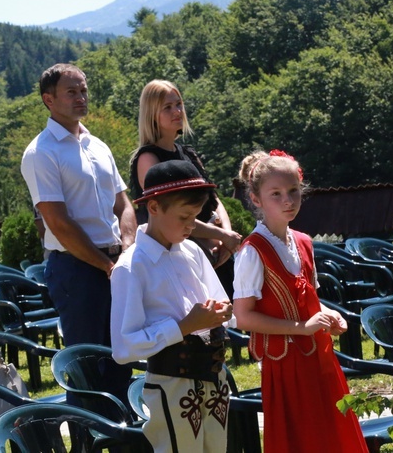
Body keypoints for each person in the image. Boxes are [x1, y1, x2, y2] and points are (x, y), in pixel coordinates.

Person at [232, 150, 367, 453]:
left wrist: (330, 314)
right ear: (256, 199)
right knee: (302, 440)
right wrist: (300, 327)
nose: (288, 201)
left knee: (332, 436)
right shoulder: (252, 251)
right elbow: (243, 317)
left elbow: (310, 301)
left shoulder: (304, 242)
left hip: (319, 357)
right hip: (285, 365)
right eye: (276, 194)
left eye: (293, 191)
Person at [20, 63, 136, 407]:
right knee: (87, 368)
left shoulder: (98, 145)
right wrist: (105, 264)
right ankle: (88, 438)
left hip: (115, 262)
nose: (81, 97)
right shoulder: (41, 152)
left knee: (121, 358)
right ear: (48, 100)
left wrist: (126, 250)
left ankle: (122, 439)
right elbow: (59, 223)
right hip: (77, 269)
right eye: (71, 92)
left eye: (83, 90)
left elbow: (125, 206)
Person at [111, 160, 233, 452]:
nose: (192, 226)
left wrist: (223, 312)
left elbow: (221, 305)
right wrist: (182, 327)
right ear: (153, 207)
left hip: (214, 379)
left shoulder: (191, 250)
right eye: (184, 217)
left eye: (195, 217)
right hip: (171, 385)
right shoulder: (131, 267)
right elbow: (124, 347)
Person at [130, 79, 241, 298]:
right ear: (152, 114)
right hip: (180, 258)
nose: (177, 111)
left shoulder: (188, 154)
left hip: (215, 252)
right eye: (168, 107)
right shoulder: (147, 159)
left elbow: (214, 200)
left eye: (178, 104)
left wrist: (226, 238)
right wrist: (221, 234)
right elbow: (171, 215)